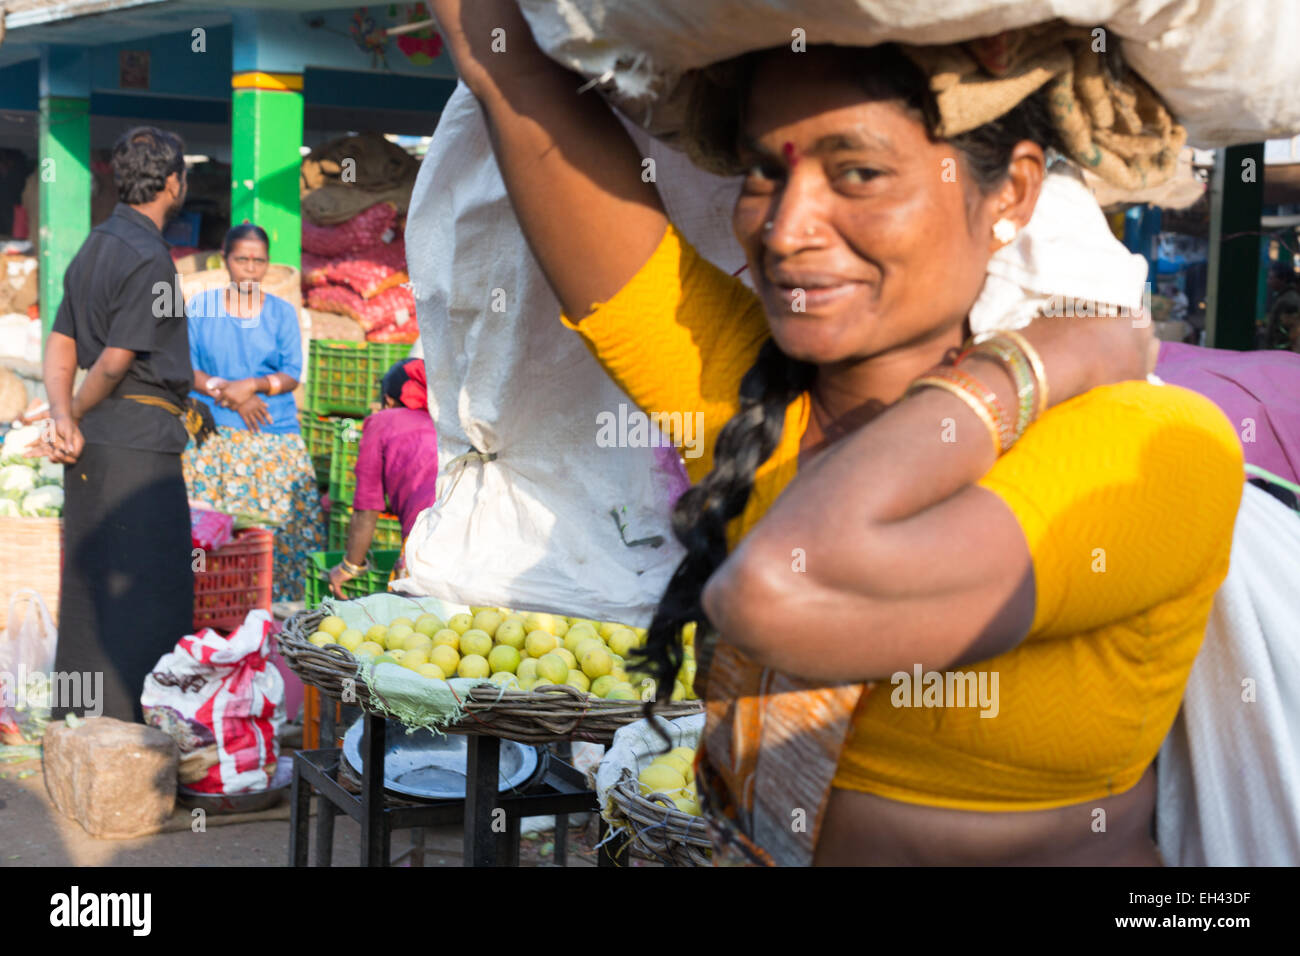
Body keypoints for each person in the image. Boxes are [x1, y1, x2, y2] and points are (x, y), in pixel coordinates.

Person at [433, 1, 1244, 866]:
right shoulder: (752, 407)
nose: (786, 231)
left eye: (857, 173)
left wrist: (1010, 372)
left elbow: (781, 593)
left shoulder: (1147, 448)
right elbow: (510, 73)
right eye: (761, 173)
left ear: (1010, 193)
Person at [36, 126, 209, 723]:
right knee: (149, 596)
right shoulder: (151, 260)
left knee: (88, 599)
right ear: (171, 183)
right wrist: (72, 413)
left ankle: (78, 731)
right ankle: (139, 735)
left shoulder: (93, 247)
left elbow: (61, 343)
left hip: (93, 450)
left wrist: (64, 418)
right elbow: (114, 360)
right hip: (138, 449)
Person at [183, 222, 324, 603]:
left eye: (258, 261)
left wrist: (254, 386)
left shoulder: (281, 313)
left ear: (267, 265)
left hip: (273, 431)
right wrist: (230, 391)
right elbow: (186, 370)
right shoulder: (200, 308)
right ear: (225, 261)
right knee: (217, 534)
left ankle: (279, 610)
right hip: (216, 434)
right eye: (242, 259)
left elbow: (292, 374)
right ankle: (216, 605)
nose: (250, 268)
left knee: (285, 531)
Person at [329, 358, 439, 597]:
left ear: (388, 400)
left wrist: (350, 566)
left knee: (413, 618)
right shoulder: (445, 422)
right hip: (474, 531)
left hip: (428, 535)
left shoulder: (382, 422)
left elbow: (367, 508)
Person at [1264, 263, 1300, 350]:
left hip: (1282, 354)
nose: (1268, 281)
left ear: (1283, 279)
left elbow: (1287, 333)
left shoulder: (1288, 300)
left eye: (1271, 278)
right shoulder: (1284, 297)